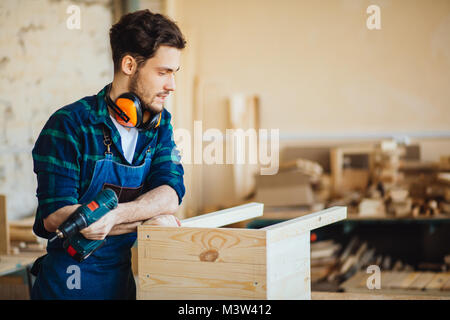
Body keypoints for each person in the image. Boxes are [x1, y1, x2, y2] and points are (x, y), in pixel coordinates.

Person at [30, 9, 186, 299]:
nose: (171, 85)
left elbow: (170, 193)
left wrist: (113, 216)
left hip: (121, 285)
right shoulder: (69, 125)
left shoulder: (159, 123)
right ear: (129, 64)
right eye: (163, 72)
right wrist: (145, 216)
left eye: (174, 74)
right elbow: (54, 215)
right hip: (68, 285)